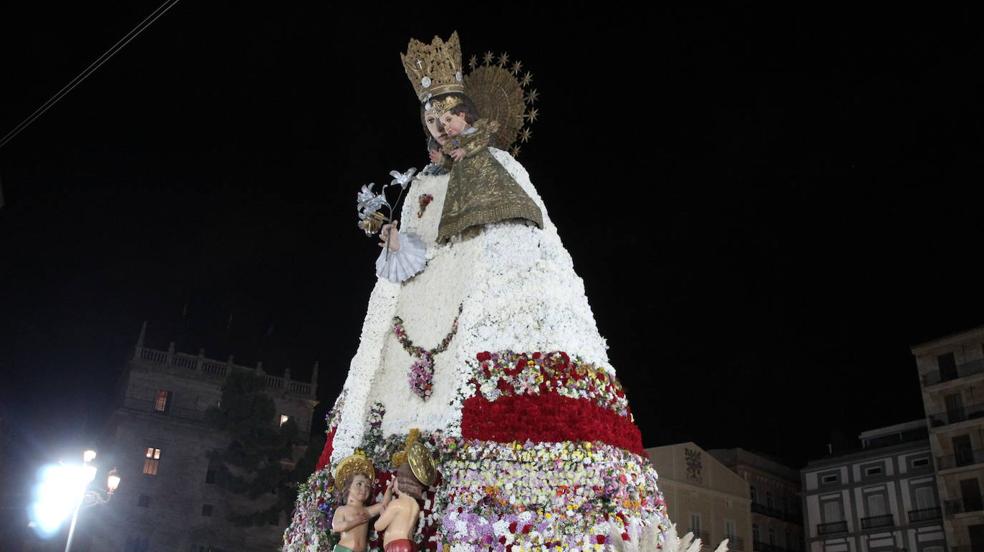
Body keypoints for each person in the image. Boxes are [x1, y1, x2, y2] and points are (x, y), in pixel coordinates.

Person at [331, 454, 393, 552]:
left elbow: (384, 505)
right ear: (349, 487)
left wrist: (389, 489)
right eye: (359, 484)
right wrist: (357, 521)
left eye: (367, 486)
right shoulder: (342, 509)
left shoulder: (367, 511)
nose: (364, 489)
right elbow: (336, 527)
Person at [373, 462, 425, 552]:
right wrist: (389, 491)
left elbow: (378, 526)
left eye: (396, 478)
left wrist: (382, 513)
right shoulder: (415, 506)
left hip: (396, 545)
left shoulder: (397, 503)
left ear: (402, 481)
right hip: (411, 545)